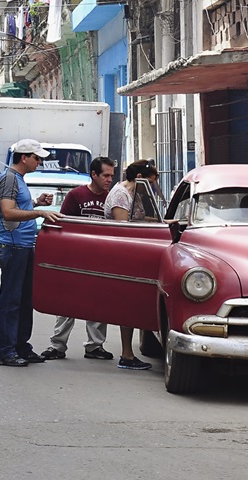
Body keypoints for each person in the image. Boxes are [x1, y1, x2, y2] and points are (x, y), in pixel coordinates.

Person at [41, 157, 117, 361]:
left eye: (112, 175)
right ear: (94, 174)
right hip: (76, 257)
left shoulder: (112, 198)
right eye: (105, 175)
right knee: (66, 302)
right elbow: (64, 225)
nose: (109, 179)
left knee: (98, 302)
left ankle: (95, 346)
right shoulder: (76, 195)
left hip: (101, 258)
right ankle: (57, 345)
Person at [0, 140, 59, 367]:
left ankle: (21, 346)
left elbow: (17, 206)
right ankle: (5, 350)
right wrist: (38, 212)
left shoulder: (18, 179)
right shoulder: (10, 179)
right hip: (13, 247)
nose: (39, 162)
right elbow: (8, 212)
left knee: (24, 300)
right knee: (11, 301)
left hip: (24, 246)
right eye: (37, 158)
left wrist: (34, 203)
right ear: (24, 157)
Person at [101, 159, 159, 371]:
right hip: (124, 256)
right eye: (150, 183)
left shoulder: (134, 195)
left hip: (134, 255)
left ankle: (129, 353)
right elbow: (124, 228)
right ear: (140, 179)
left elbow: (141, 219)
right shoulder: (121, 195)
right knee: (129, 304)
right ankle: (126, 353)